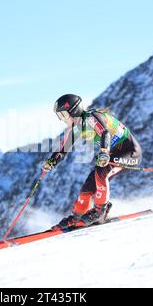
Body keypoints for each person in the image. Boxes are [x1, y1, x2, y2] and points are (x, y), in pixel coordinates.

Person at [42, 94, 142, 229]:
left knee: (101, 171)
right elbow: (63, 150)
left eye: (64, 115)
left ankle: (99, 210)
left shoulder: (91, 118)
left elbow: (105, 133)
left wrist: (104, 151)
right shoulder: (75, 129)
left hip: (130, 152)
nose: (62, 120)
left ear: (74, 111)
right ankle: (77, 216)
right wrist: (52, 162)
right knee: (91, 181)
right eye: (60, 117)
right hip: (112, 155)